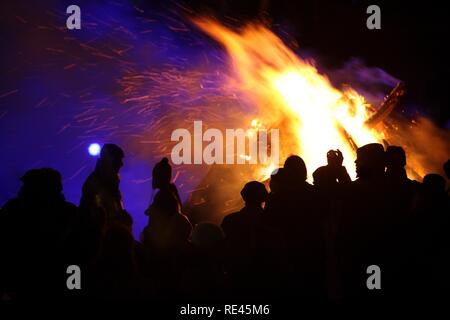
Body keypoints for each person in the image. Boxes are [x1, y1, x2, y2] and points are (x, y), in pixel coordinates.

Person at [0, 168, 77, 299]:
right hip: (57, 287)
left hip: (20, 286)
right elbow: (77, 256)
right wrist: (75, 287)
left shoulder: (13, 209)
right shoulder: (70, 213)